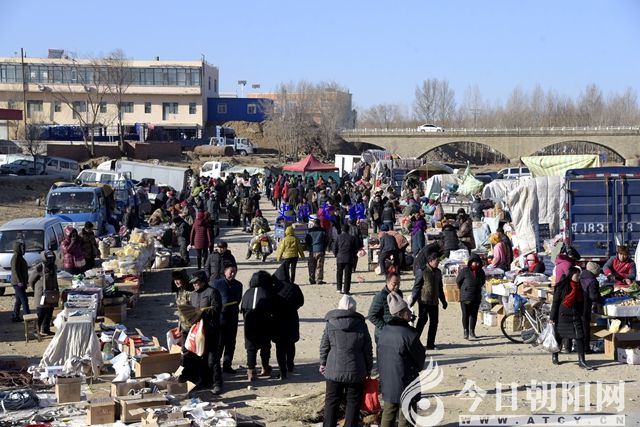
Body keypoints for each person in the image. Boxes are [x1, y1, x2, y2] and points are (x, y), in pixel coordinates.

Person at [320, 295, 373, 427]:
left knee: (331, 402)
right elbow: (367, 349)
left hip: (333, 369)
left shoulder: (330, 323)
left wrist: (323, 363)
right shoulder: (361, 325)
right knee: (353, 402)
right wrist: (369, 367)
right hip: (356, 370)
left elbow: (324, 346)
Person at [378, 292, 425, 427]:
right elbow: (420, 358)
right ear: (400, 313)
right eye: (407, 311)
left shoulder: (384, 331)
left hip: (388, 380)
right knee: (407, 416)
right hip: (406, 381)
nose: (410, 313)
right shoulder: (409, 334)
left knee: (388, 412)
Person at [550, 267, 593, 370]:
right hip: (563, 316)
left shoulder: (580, 287)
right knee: (559, 337)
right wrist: (552, 317)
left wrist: (583, 314)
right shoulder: (562, 286)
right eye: (576, 274)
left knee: (580, 337)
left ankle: (582, 361)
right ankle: (555, 355)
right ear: (571, 275)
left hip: (575, 315)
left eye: (579, 275)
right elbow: (555, 302)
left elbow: (582, 302)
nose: (578, 276)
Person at [188, 270, 224, 393]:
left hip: (211, 331)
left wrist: (202, 311)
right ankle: (204, 381)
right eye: (193, 283)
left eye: (196, 282)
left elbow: (216, 310)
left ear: (203, 281)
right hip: (198, 332)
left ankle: (217, 383)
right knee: (200, 358)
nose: (194, 284)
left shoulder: (212, 292)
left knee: (212, 359)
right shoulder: (193, 295)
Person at [272, 264, 305, 379]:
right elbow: (301, 302)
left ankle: (282, 371)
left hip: (278, 320)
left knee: (280, 347)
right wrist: (294, 307)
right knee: (291, 344)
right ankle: (290, 365)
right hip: (292, 319)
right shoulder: (294, 287)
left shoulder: (274, 288)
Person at [241, 271, 274, 381]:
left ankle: (251, 371)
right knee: (265, 346)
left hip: (249, 323)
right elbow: (271, 309)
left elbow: (242, 308)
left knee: (251, 348)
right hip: (264, 323)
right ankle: (265, 367)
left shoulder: (247, 293)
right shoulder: (266, 292)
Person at [410, 252, 447, 349]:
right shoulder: (422, 271)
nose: (438, 263)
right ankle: (414, 342)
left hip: (434, 302)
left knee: (434, 322)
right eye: (436, 261)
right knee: (422, 320)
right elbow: (417, 287)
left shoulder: (438, 272)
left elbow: (440, 288)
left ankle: (430, 344)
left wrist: (443, 301)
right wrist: (412, 300)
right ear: (430, 261)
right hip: (424, 301)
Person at [212, 265, 243, 374]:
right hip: (220, 318)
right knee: (219, 343)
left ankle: (227, 365)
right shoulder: (216, 284)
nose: (233, 274)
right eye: (231, 271)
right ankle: (216, 366)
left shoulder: (238, 285)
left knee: (231, 343)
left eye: (235, 272)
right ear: (225, 272)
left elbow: (238, 300)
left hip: (233, 317)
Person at [28, 250, 59, 335]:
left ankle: (45, 329)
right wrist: (37, 290)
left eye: (52, 258)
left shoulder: (54, 267)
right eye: (48, 258)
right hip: (41, 294)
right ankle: (35, 330)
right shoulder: (39, 267)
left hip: (51, 294)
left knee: (49, 312)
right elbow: (31, 280)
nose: (50, 260)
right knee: (40, 313)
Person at [456, 255, 485, 339]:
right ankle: (466, 331)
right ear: (470, 262)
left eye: (477, 262)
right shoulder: (464, 271)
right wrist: (464, 289)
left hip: (476, 296)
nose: (476, 264)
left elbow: (482, 282)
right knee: (465, 314)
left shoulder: (481, 272)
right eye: (474, 262)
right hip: (465, 296)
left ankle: (472, 331)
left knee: (474, 314)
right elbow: (458, 281)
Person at [367, 272, 402, 343]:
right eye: (394, 284)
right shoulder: (380, 296)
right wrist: (386, 328)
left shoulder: (399, 293)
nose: (396, 286)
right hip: (382, 335)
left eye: (398, 284)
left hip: (396, 332)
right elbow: (371, 316)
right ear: (387, 282)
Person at [581, 262, 601, 352]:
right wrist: (599, 298)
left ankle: (569, 347)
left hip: (577, 305)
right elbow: (593, 296)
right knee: (585, 327)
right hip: (585, 305)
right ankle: (586, 348)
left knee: (578, 326)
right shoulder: (592, 281)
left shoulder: (581, 277)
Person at [334, 224, 359, 295]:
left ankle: (339, 288)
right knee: (347, 275)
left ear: (342, 230)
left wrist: (336, 254)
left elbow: (335, 247)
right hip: (349, 258)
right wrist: (353, 256)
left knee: (339, 273)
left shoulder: (338, 237)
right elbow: (355, 249)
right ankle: (346, 290)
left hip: (340, 257)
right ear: (348, 230)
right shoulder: (352, 238)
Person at [10, 241, 30, 323]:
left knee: (18, 301)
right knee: (24, 300)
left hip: (21, 282)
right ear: (18, 248)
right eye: (22, 248)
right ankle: (28, 317)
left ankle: (15, 316)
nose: (23, 249)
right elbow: (15, 270)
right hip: (18, 283)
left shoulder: (19, 257)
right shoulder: (15, 257)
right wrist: (19, 281)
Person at [306, 219, 328, 285]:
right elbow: (326, 240)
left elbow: (307, 240)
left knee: (311, 266)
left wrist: (309, 247)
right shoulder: (323, 230)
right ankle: (318, 279)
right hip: (320, 249)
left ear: (314, 223)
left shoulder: (309, 231)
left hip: (312, 250)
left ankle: (311, 279)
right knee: (319, 266)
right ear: (319, 223)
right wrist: (324, 247)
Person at [171, 269, 193, 335]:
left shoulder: (191, 292)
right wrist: (179, 326)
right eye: (174, 280)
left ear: (184, 279)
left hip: (191, 326)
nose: (176, 282)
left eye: (178, 280)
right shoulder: (179, 290)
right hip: (183, 326)